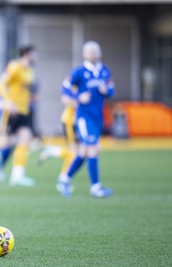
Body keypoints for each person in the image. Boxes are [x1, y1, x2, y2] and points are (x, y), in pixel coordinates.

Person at [56, 40, 114, 198]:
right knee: (93, 149)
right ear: (84, 54)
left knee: (83, 151)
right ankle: (96, 186)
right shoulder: (78, 72)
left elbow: (111, 90)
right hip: (83, 117)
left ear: (100, 53)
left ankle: (64, 178)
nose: (93, 54)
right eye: (90, 52)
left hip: (98, 117)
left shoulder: (105, 71)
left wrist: (106, 90)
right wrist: (78, 97)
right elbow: (64, 88)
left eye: (95, 51)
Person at [0, 45, 38, 187]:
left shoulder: (30, 71)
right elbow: (0, 84)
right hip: (11, 111)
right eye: (35, 54)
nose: (37, 57)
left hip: (24, 111)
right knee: (6, 142)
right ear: (27, 54)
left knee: (25, 139)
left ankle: (17, 176)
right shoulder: (14, 66)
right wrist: (8, 102)